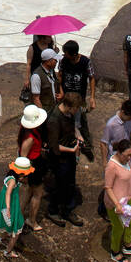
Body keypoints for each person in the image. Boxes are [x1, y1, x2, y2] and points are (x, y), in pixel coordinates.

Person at [44, 92, 85, 227]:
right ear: (69, 106)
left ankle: (67, 209)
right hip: (59, 158)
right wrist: (71, 150)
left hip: (69, 153)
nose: (77, 110)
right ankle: (53, 210)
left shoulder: (68, 113)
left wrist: (78, 136)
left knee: (70, 183)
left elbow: (72, 127)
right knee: (58, 185)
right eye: (76, 108)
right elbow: (53, 145)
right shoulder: (54, 119)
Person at [103, 138, 131, 262]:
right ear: (119, 153)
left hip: (127, 198)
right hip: (115, 203)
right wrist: (117, 204)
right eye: (127, 155)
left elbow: (130, 175)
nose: (129, 158)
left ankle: (127, 244)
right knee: (118, 227)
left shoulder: (127, 160)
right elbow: (108, 187)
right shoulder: (111, 166)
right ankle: (115, 251)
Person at [58, 41, 95, 158]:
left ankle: (83, 145)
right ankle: (67, 141)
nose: (64, 55)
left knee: (80, 121)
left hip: (80, 97)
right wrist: (61, 90)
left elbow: (92, 78)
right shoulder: (63, 61)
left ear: (73, 55)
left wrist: (92, 97)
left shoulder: (85, 62)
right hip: (66, 97)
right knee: (65, 119)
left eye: (66, 53)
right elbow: (59, 76)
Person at [0, 157, 34, 258]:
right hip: (10, 205)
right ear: (22, 173)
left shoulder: (11, 176)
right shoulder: (13, 181)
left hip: (5, 204)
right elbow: (8, 193)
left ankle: (1, 239)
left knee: (7, 224)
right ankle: (8, 251)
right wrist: (8, 208)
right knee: (17, 227)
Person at [17, 105, 49, 231]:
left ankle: (19, 216)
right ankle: (32, 220)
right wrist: (23, 174)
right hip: (33, 165)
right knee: (37, 193)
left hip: (34, 163)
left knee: (29, 191)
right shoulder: (30, 138)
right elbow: (23, 156)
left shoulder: (26, 130)